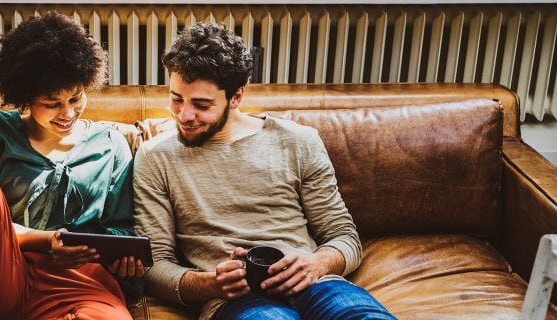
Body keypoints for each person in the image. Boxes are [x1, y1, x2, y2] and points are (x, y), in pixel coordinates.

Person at [133, 22, 396, 320]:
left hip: (318, 286)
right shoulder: (156, 157)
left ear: (236, 97)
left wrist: (317, 263)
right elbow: (153, 266)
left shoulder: (297, 140)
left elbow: (343, 236)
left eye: (202, 105)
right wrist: (209, 283)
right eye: (176, 98)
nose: (185, 115)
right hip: (237, 301)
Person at [0, 11, 144, 320]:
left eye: (76, 98)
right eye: (52, 103)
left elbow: (121, 228)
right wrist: (46, 240)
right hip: (7, 270)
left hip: (77, 280)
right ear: (27, 97)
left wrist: (122, 256)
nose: (68, 113)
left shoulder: (110, 145)